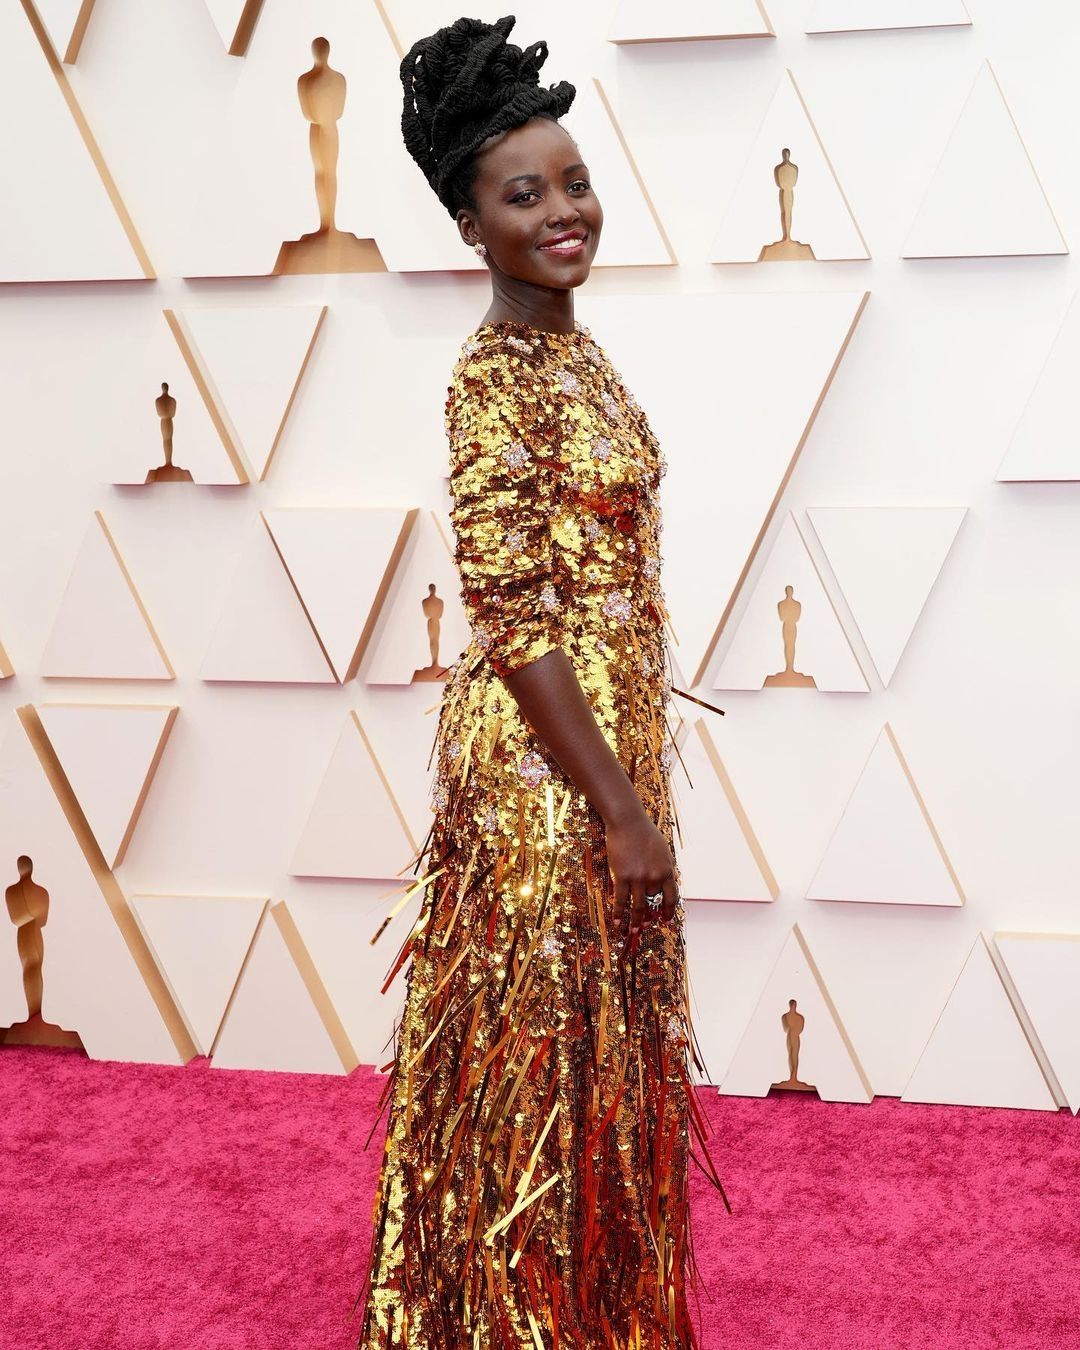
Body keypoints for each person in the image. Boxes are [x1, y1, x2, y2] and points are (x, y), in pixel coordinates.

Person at [350, 15, 728, 1347]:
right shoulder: (491, 381)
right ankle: (507, 1320)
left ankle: (599, 1312)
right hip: (542, 771)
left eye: (575, 182)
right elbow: (511, 618)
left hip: (606, 748)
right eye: (526, 195)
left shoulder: (575, 351)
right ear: (472, 225)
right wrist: (618, 806)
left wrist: (631, 787)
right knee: (536, 1057)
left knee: (602, 1054)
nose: (565, 211)